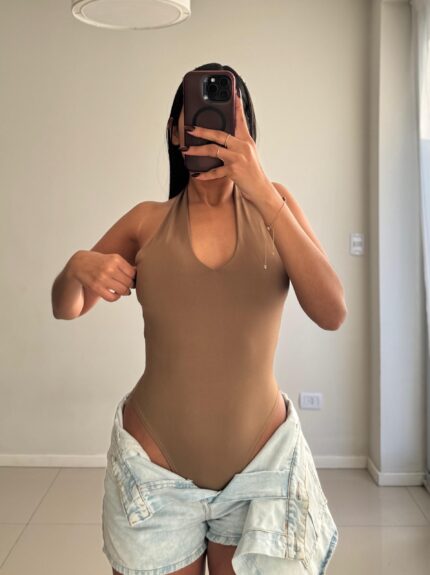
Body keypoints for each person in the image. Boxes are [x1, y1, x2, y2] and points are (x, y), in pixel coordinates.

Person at [52, 63, 346, 575]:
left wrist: (262, 191)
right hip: (154, 479)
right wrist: (77, 266)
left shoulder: (277, 206)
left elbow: (332, 311)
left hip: (262, 476)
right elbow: (67, 306)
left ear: (246, 132)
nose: (210, 128)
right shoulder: (146, 221)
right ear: (175, 131)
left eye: (225, 117)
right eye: (197, 116)